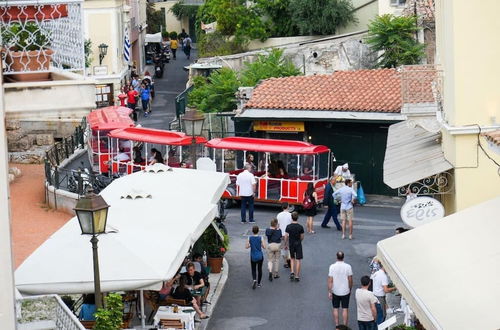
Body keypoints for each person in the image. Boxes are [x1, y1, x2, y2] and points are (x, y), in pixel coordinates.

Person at [328, 251, 353, 327]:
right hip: (345, 290)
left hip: (335, 290)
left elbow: (330, 280)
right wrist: (350, 289)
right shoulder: (348, 266)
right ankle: (345, 326)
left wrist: (329, 291)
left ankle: (337, 325)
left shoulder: (332, 266)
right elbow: (350, 279)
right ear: (343, 257)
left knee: (335, 308)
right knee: (345, 308)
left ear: (336, 257)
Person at [285, 212, 304, 282]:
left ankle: (292, 272)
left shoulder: (288, 226)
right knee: (298, 260)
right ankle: (297, 276)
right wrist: (300, 241)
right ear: (297, 218)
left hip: (291, 244)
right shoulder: (300, 227)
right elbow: (302, 237)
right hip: (298, 244)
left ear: (291, 218)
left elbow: (286, 236)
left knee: (292, 258)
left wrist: (285, 244)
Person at [246, 225, 265, 289]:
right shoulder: (261, 238)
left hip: (253, 256)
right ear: (258, 231)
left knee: (253, 269)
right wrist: (261, 244)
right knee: (259, 269)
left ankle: (254, 280)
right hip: (260, 256)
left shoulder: (249, 238)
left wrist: (251, 245)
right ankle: (259, 283)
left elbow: (246, 246)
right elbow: (264, 247)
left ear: (252, 231)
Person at [276, 202, 292, 269]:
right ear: (288, 207)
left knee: (283, 248)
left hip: (281, 234)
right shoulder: (290, 215)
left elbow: (277, 226)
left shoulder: (279, 215)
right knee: (289, 248)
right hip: (289, 234)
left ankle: (285, 262)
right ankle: (289, 258)